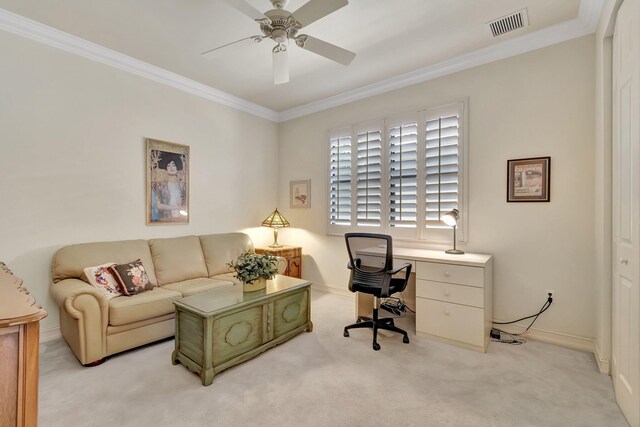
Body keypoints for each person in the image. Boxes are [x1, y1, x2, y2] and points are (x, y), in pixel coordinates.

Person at [150, 151, 187, 222]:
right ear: (166, 168)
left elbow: (186, 204)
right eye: (168, 165)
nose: (171, 167)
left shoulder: (183, 185)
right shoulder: (160, 185)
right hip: (165, 217)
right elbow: (159, 205)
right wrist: (175, 207)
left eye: (174, 165)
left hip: (180, 218)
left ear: (177, 167)